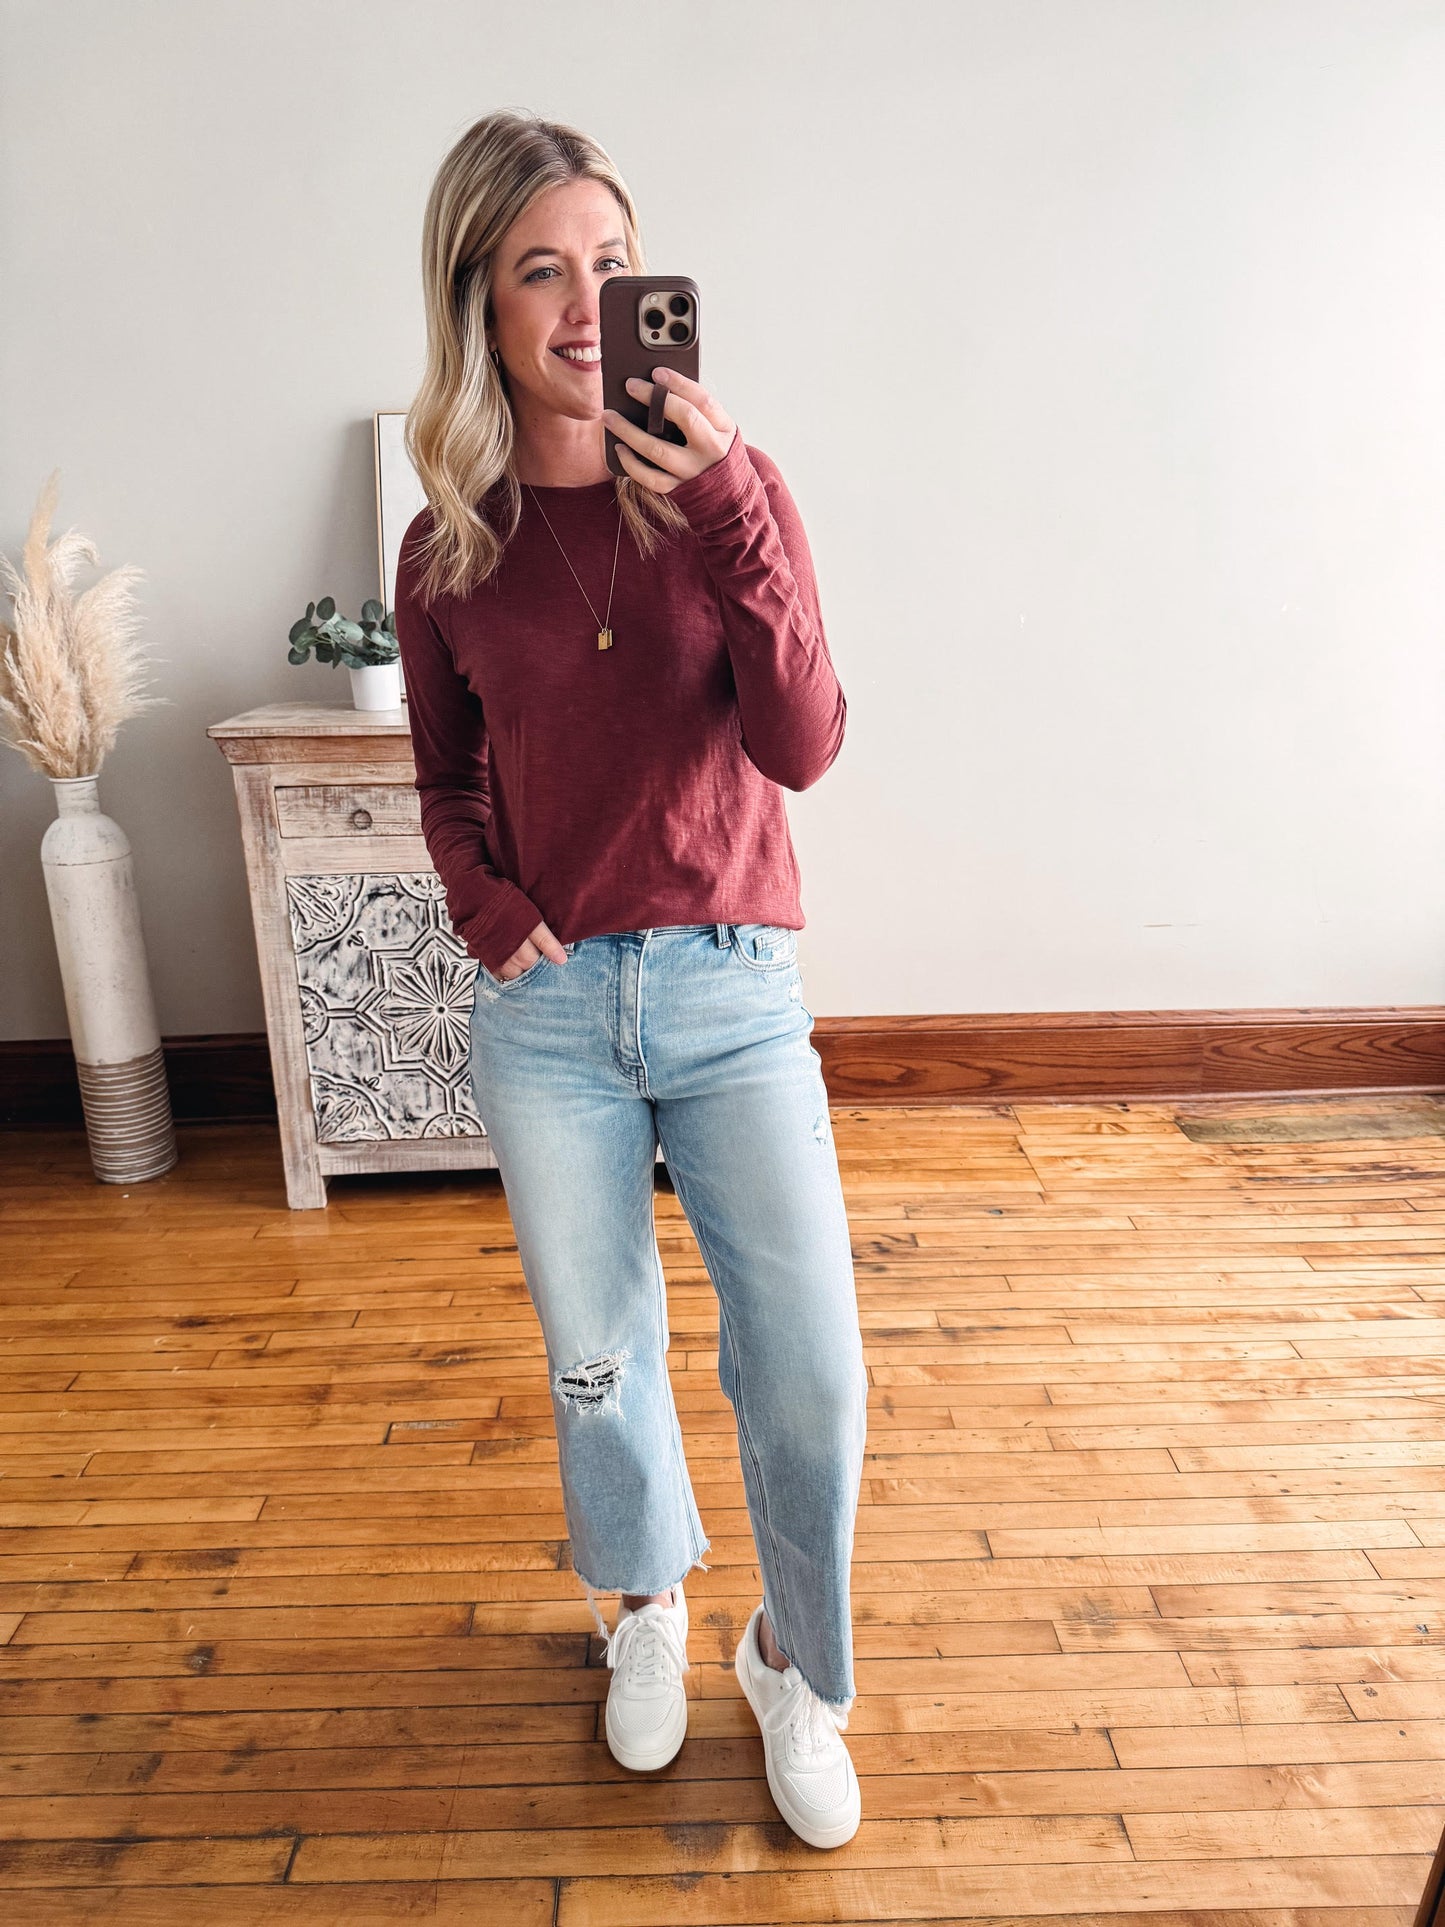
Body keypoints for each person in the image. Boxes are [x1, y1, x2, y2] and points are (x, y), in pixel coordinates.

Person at [393, 110, 868, 1851]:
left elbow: (804, 745)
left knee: (807, 1371)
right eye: (543, 271)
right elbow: (445, 779)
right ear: (479, 301)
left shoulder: (735, 491)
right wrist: (481, 901)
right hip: (551, 1020)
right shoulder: (447, 544)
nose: (587, 305)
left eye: (612, 265)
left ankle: (789, 1658)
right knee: (599, 1359)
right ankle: (646, 1600)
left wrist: (726, 503)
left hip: (733, 991)